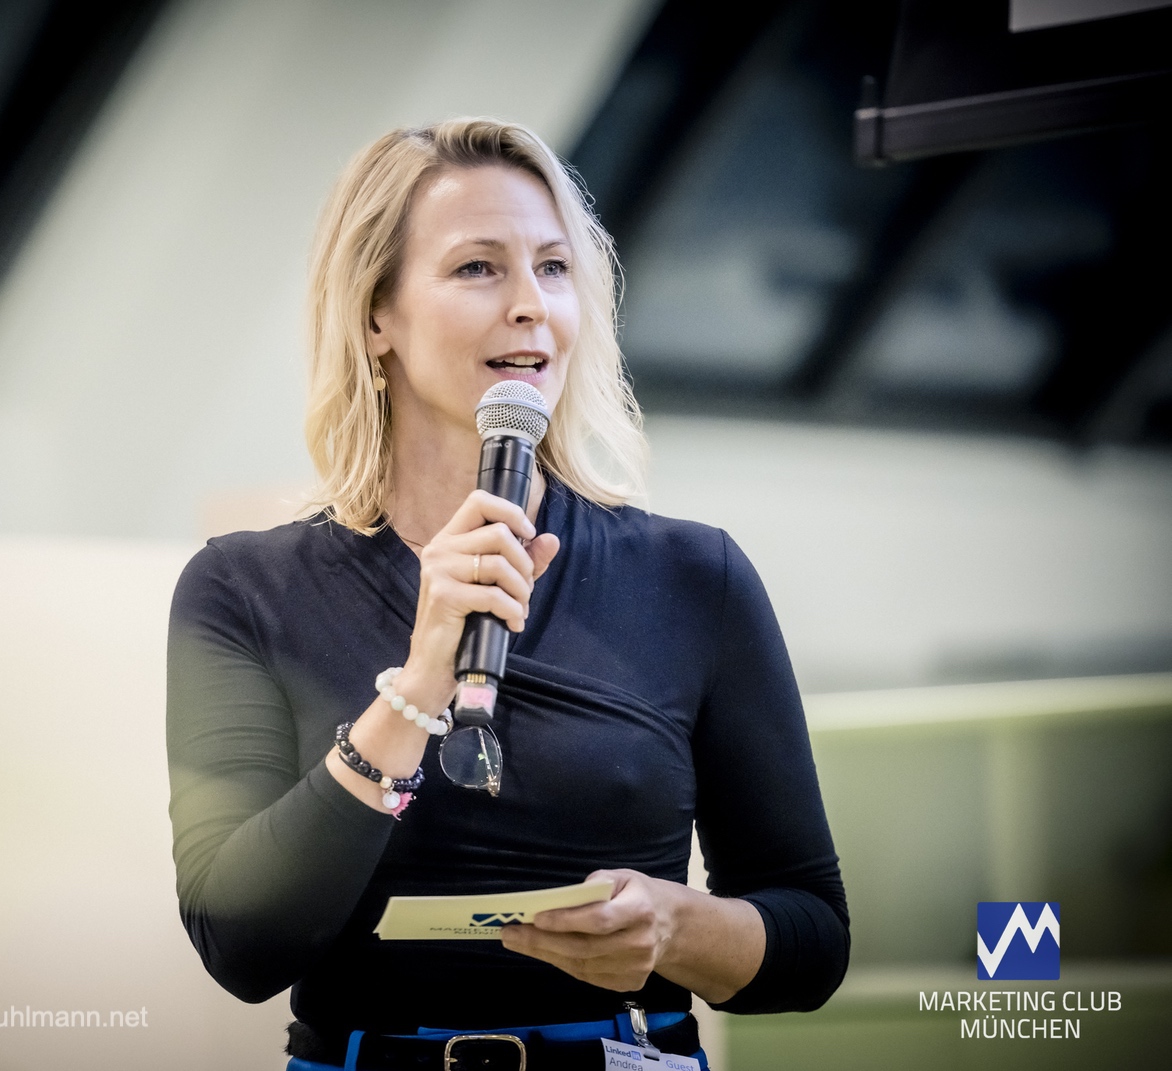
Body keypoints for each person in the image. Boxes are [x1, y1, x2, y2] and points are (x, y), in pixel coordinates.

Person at [166, 118, 847, 1071]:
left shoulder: (698, 576)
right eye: (478, 268)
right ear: (376, 317)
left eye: (554, 268)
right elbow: (240, 945)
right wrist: (417, 685)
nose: (531, 305)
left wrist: (674, 927)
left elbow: (813, 940)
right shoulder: (243, 588)